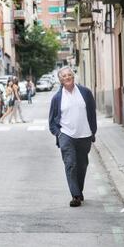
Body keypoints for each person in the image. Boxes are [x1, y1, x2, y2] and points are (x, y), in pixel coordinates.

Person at [49, 66, 97, 207]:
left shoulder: (85, 93)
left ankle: (79, 191)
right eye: (64, 76)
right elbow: (52, 121)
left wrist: (93, 131)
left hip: (84, 135)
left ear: (73, 76)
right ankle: (75, 195)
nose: (67, 77)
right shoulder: (57, 98)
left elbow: (92, 114)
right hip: (66, 135)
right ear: (60, 80)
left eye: (69, 75)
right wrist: (58, 133)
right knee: (70, 164)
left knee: (82, 165)